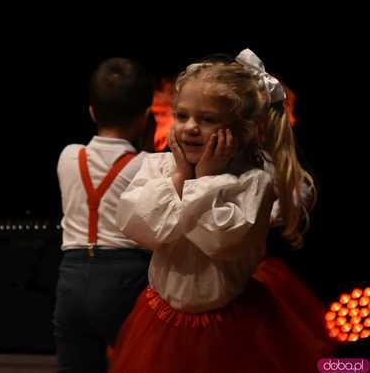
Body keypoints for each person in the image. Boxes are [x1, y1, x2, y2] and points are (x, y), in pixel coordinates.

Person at [109, 49, 335, 372]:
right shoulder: (161, 168)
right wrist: (180, 176)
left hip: (229, 329)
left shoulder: (253, 183)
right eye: (182, 115)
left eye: (207, 119)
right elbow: (141, 228)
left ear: (241, 130)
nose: (189, 128)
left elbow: (220, 240)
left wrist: (203, 181)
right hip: (160, 321)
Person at [53, 57, 154, 372]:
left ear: (92, 111)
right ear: (145, 116)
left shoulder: (69, 156)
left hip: (71, 278)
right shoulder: (147, 165)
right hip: (124, 277)